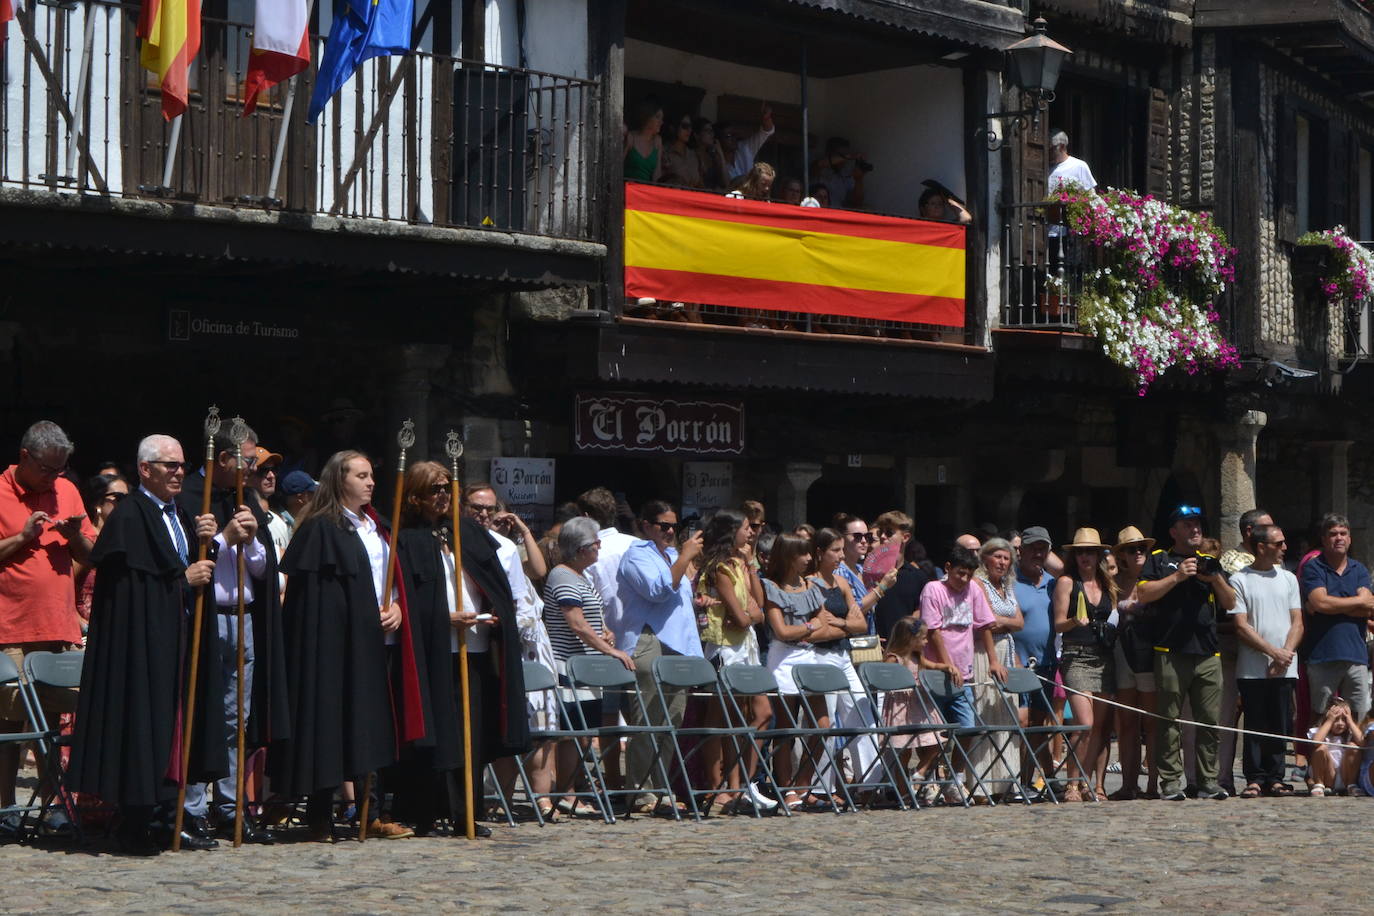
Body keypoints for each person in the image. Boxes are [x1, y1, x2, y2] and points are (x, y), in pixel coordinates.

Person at [68, 434, 220, 853]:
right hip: (141, 647)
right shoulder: (130, 517)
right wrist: (181, 583)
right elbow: (130, 589)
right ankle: (137, 822)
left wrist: (209, 542)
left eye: (182, 465)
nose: (179, 472)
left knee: (177, 727)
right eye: (170, 465)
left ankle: (171, 817)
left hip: (178, 640)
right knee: (144, 727)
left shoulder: (180, 514)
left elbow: (181, 565)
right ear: (145, 469)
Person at [268, 450, 406, 842]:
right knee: (327, 721)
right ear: (338, 480)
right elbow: (312, 599)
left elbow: (388, 577)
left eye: (371, 475)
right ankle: (319, 814)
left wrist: (396, 606)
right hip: (332, 645)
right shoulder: (321, 528)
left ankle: (370, 812)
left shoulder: (376, 527)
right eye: (360, 475)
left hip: (374, 641)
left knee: (368, 722)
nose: (370, 482)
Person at [394, 462, 529, 835]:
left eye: (447, 488)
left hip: (475, 646)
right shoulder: (406, 539)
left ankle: (465, 812)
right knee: (437, 734)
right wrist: (442, 618)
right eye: (434, 489)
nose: (442, 495)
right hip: (435, 650)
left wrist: (496, 612)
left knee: (471, 733)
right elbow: (407, 598)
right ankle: (424, 812)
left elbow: (494, 582)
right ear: (416, 496)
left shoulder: (466, 531)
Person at [175, 425, 289, 845]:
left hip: (243, 618)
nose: (253, 468)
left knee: (235, 719)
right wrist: (224, 538)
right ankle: (191, 808)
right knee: (200, 710)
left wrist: (253, 541)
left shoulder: (245, 500)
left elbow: (262, 569)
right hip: (205, 619)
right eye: (247, 460)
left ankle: (231, 807)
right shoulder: (190, 496)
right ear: (223, 459)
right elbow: (187, 560)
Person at [0, 421, 95, 837]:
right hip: (11, 627)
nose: (53, 477)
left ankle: (53, 805)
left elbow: (92, 553)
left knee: (53, 723)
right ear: (24, 457)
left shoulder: (67, 490)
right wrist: (23, 536)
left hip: (57, 626)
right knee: (8, 724)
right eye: (46, 469)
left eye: (60, 469)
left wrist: (75, 538)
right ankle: (5, 808)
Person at [1137, 505, 1237, 801]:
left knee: (1209, 721)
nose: (1195, 529)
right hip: (1170, 651)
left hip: (1207, 652)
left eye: (1198, 525)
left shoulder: (1210, 562)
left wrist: (1215, 579)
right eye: (1188, 525)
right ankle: (1170, 781)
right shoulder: (1159, 559)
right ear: (1173, 532)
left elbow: (1230, 603)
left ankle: (1208, 781)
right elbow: (1143, 593)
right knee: (1169, 720)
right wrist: (1177, 577)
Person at [616, 500, 704, 813]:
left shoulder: (673, 556)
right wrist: (685, 557)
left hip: (678, 644)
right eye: (663, 525)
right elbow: (657, 590)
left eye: (673, 526)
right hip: (649, 638)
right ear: (646, 525)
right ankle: (641, 793)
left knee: (671, 720)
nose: (670, 531)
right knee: (648, 719)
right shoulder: (637, 554)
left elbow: (681, 605)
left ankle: (661, 787)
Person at [542, 516, 631, 815]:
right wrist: (611, 650)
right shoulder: (562, 576)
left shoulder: (582, 576)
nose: (599, 547)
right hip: (569, 664)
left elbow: (590, 618)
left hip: (587, 667)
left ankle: (576, 788)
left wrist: (605, 631)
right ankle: (567, 793)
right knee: (573, 732)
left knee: (584, 732)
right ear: (581, 549)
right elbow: (576, 623)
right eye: (595, 543)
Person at [694, 509, 771, 813]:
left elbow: (760, 606)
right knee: (723, 717)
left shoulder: (740, 564)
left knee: (759, 713)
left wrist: (751, 566)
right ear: (731, 531)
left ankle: (740, 782)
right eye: (745, 528)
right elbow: (742, 617)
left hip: (745, 646)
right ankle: (719, 788)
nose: (750, 532)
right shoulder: (720, 568)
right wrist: (750, 615)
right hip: (725, 647)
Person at [920, 543, 1007, 802]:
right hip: (936, 671)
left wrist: (993, 660)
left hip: (965, 673)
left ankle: (954, 778)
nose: (964, 579)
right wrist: (947, 664)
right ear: (948, 568)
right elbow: (933, 631)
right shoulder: (933, 589)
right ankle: (928, 779)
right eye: (960, 573)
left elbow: (985, 625)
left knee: (968, 729)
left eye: (969, 574)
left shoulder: (973, 589)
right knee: (934, 733)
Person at [761, 533, 838, 809]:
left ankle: (803, 783)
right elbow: (781, 631)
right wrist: (808, 626)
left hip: (809, 656)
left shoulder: (811, 586)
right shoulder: (771, 587)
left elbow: (825, 624)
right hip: (783, 658)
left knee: (822, 725)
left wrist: (806, 630)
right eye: (802, 553)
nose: (808, 558)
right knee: (786, 728)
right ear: (788, 556)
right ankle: (786, 788)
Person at [1230, 523, 1302, 798]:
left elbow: (1297, 622)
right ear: (1261, 547)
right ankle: (1255, 777)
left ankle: (1276, 777)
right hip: (1253, 668)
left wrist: (1285, 654)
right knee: (1255, 722)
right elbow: (1241, 625)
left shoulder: (1289, 579)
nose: (1284, 548)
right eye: (1278, 543)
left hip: (1284, 666)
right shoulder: (1240, 579)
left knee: (1280, 722)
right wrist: (1273, 652)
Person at [808, 527, 879, 804]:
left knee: (861, 711)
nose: (840, 556)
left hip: (843, 654)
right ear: (819, 552)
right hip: (819, 656)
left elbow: (860, 623)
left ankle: (870, 784)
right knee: (824, 719)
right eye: (834, 550)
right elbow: (819, 627)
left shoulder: (841, 582)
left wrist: (840, 623)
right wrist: (846, 625)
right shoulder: (809, 584)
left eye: (841, 550)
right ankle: (820, 787)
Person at [1051, 528, 1117, 803]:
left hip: (1103, 657)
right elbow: (1058, 624)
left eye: (1090, 551)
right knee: (1084, 724)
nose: (1085, 557)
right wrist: (1073, 622)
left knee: (1100, 727)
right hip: (1076, 656)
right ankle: (1072, 784)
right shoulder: (1067, 582)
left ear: (1099, 555)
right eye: (1080, 552)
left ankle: (1089, 783)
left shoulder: (1107, 583)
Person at [1300, 513, 1373, 725]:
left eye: (1343, 533)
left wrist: (1331, 605)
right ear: (1324, 539)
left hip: (1356, 656)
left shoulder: (1359, 569)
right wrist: (1355, 602)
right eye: (1333, 534)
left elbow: (1368, 607)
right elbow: (1320, 602)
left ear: (1350, 538)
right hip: (1322, 655)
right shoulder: (1314, 567)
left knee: (1359, 719)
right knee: (1321, 718)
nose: (1339, 538)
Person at [972, 538, 1024, 800]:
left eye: (1006, 558)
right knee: (986, 711)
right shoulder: (978, 583)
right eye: (997, 557)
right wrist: (1005, 622)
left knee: (1006, 714)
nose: (1002, 562)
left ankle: (1006, 782)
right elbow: (984, 622)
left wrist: (1001, 621)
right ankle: (982, 784)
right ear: (985, 558)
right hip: (985, 651)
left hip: (1007, 650)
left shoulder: (1007, 586)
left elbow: (1020, 622)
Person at [1109, 526, 1159, 800]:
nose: (1138, 553)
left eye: (1142, 548)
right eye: (1132, 549)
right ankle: (1129, 784)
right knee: (1127, 721)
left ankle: (1152, 783)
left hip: (1149, 653)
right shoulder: (1113, 582)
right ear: (1122, 556)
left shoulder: (1156, 578)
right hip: (1122, 653)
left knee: (1151, 723)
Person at [881, 616, 953, 803]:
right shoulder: (893, 659)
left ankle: (920, 772)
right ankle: (904, 794)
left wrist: (948, 667)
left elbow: (933, 665)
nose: (926, 641)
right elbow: (883, 680)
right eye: (923, 638)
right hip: (900, 708)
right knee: (903, 753)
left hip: (920, 706)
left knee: (938, 741)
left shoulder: (917, 657)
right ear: (910, 639)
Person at [1011, 526, 1057, 795]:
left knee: (1039, 725)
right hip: (1017, 665)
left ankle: (1035, 779)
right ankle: (1020, 779)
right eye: (1033, 548)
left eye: (1043, 549)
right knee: (1023, 723)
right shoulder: (1010, 581)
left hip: (1047, 664)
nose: (1038, 553)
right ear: (1022, 550)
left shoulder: (1053, 582)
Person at [75, 472, 130, 627]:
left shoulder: (126, 540)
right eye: (118, 497)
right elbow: (63, 586)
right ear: (98, 503)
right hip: (87, 629)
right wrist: (78, 621)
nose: (125, 504)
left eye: (128, 498)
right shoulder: (87, 541)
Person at [833, 513, 898, 634]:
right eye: (857, 536)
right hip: (851, 641)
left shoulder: (862, 569)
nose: (864, 541)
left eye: (867, 536)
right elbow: (853, 611)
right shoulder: (839, 572)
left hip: (868, 638)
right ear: (841, 539)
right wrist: (882, 586)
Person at [873, 538, 936, 643]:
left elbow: (923, 610)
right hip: (874, 644)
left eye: (889, 533)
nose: (883, 537)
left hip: (905, 645)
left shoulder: (918, 576)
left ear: (905, 537)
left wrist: (908, 630)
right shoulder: (867, 575)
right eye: (880, 534)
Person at [1307, 698, 1363, 796]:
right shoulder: (1320, 731)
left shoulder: (1350, 734)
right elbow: (1316, 742)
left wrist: (1350, 721)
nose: (1340, 723)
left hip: (1345, 776)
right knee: (1321, 748)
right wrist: (1330, 721)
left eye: (1344, 719)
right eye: (1336, 719)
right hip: (1328, 776)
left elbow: (1362, 742)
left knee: (1353, 747)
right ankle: (1319, 784)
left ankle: (1351, 785)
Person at [719, 104, 774, 182]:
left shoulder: (744, 148)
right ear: (718, 140)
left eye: (734, 134)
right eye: (729, 136)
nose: (734, 138)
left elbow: (766, 132)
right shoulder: (715, 161)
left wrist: (766, 118)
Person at [813, 136, 869, 209]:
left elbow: (857, 202)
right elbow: (819, 165)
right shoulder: (821, 168)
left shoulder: (846, 173)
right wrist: (850, 156)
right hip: (817, 211)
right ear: (829, 153)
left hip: (837, 213)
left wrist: (859, 180)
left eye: (846, 155)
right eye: (842, 155)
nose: (844, 159)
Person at [623, 97, 663, 182]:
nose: (661, 122)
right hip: (627, 188)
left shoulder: (657, 142)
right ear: (647, 117)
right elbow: (617, 166)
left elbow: (657, 175)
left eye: (662, 119)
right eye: (657, 117)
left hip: (645, 190)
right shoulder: (631, 138)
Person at [660, 112, 703, 188]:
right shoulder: (665, 153)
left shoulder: (693, 154)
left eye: (690, 126)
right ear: (673, 127)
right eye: (685, 126)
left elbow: (700, 183)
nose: (689, 130)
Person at [691, 118, 729, 191]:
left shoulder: (713, 156)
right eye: (707, 131)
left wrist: (720, 154)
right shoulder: (692, 155)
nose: (711, 134)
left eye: (712, 131)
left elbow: (726, 183)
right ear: (696, 135)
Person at [277, 470, 317, 536]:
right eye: (313, 493)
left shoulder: (310, 520)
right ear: (300, 498)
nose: (316, 497)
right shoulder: (280, 525)